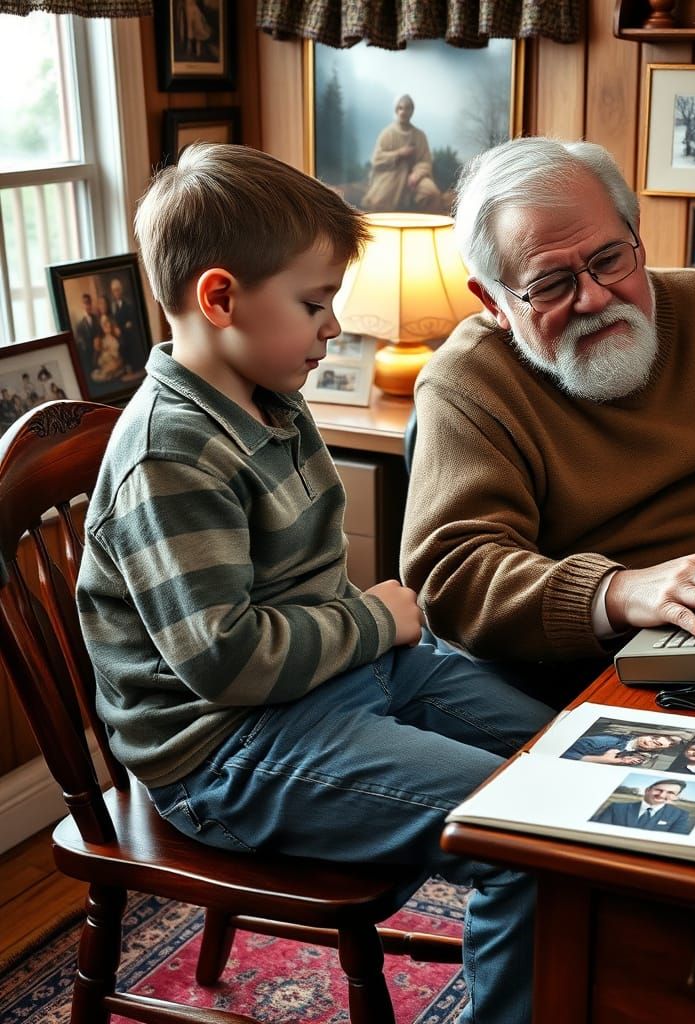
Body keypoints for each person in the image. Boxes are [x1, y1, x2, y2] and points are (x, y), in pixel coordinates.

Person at [75, 141, 552, 1024]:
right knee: (524, 835)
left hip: (333, 681)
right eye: (313, 303)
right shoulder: (169, 456)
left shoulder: (271, 396)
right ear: (220, 299)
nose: (333, 326)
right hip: (225, 751)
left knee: (572, 769)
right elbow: (227, 662)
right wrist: (375, 620)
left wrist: (370, 631)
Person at [401, 137, 695, 696]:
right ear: (494, 302)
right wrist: (619, 591)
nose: (594, 298)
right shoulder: (467, 382)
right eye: (551, 285)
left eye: (609, 260)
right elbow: (454, 576)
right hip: (600, 666)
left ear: (636, 233)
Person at [362, 94, 443, 214]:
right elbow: (376, 159)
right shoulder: (387, 133)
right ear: (396, 110)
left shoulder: (419, 136)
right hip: (392, 176)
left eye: (407, 108)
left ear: (412, 111)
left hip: (414, 179)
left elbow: (425, 161)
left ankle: (423, 222)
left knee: (432, 193)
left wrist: (416, 175)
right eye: (400, 108)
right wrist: (399, 153)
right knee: (378, 202)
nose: (403, 112)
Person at [591, 779, 691, 834]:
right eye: (658, 790)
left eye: (670, 792)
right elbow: (597, 831)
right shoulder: (617, 807)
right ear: (647, 790)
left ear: (676, 797)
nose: (661, 795)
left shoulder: (680, 815)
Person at [562, 731, 680, 765]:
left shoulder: (634, 755)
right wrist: (605, 760)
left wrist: (621, 761)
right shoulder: (608, 741)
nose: (650, 742)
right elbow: (563, 754)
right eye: (653, 738)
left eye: (657, 744)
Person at [108, 276, 142, 366]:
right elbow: (113, 320)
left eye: (117, 290)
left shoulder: (128, 304)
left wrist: (126, 325)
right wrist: (115, 328)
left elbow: (131, 321)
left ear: (121, 290)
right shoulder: (112, 306)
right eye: (114, 291)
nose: (116, 293)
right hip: (118, 335)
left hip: (128, 334)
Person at [74, 293, 102, 377]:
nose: (87, 306)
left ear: (91, 304)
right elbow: (80, 340)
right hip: (87, 353)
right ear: (82, 305)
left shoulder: (96, 319)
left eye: (89, 303)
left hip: (98, 351)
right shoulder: (80, 324)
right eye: (85, 303)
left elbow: (99, 333)